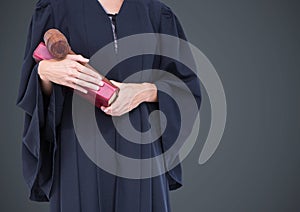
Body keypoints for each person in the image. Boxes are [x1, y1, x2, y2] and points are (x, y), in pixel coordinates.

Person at [17, 0, 201, 211]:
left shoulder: (157, 14)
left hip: (141, 152)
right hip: (77, 149)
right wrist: (45, 72)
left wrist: (143, 91)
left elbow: (185, 89)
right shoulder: (55, 9)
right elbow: (36, 99)